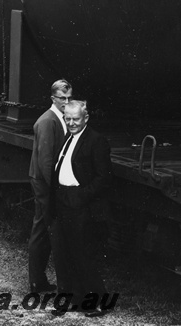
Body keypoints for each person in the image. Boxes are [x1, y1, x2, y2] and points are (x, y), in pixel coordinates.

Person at [50, 100, 114, 317]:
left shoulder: (96, 141)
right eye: (67, 119)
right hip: (63, 201)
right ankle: (74, 299)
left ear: (86, 118)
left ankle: (101, 302)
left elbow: (103, 179)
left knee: (83, 254)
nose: (71, 123)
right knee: (63, 252)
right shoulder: (69, 137)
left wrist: (79, 197)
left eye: (75, 119)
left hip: (80, 204)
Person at [28, 79, 72, 293]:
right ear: (53, 98)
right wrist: (55, 188)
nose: (66, 102)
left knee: (43, 230)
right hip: (45, 183)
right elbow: (46, 160)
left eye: (69, 98)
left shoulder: (59, 118)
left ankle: (38, 280)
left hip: (48, 182)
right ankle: (36, 281)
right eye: (62, 98)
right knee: (43, 230)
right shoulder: (48, 121)